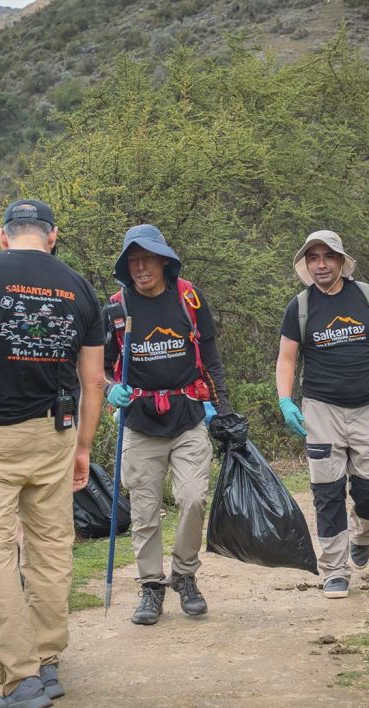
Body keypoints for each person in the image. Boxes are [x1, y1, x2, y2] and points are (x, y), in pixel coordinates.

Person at [0, 199, 106, 708]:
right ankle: (47, 665)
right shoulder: (79, 286)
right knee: (52, 549)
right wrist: (83, 448)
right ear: (52, 237)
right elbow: (93, 380)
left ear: (3, 236)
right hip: (55, 433)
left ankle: (21, 679)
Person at [103, 224, 241, 627]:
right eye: (133, 260)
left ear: (165, 261)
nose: (141, 267)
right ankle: (150, 586)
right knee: (144, 510)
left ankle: (184, 574)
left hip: (188, 415)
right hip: (140, 421)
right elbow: (97, 367)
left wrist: (223, 409)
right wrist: (111, 389)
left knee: (194, 497)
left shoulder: (188, 298)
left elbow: (210, 357)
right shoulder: (116, 308)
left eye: (147, 259)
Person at [275, 231, 369, 600]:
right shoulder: (300, 306)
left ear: (341, 261)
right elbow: (287, 358)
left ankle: (362, 533)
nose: (321, 264)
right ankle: (334, 570)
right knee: (326, 491)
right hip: (320, 408)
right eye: (313, 258)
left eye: (328, 257)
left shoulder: (365, 296)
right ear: (306, 265)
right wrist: (285, 400)